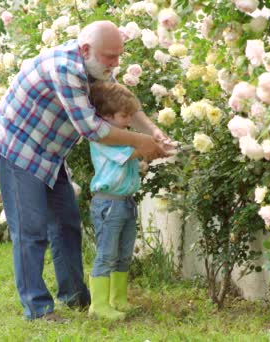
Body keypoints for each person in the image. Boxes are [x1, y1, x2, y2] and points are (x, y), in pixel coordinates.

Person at [0, 20, 171, 322]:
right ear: (86, 50)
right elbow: (91, 128)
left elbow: (121, 100)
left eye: (118, 56)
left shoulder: (98, 65)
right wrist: (142, 142)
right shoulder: (65, 68)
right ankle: (37, 308)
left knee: (67, 222)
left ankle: (75, 297)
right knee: (30, 230)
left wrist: (154, 131)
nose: (116, 63)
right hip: (18, 147)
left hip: (50, 152)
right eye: (110, 57)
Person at [86, 82, 146, 321]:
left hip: (125, 202)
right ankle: (98, 306)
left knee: (123, 254)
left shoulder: (123, 138)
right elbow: (129, 154)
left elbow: (132, 161)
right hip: (109, 204)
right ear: (106, 116)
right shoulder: (102, 138)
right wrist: (149, 145)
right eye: (124, 116)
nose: (129, 121)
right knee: (106, 255)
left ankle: (117, 299)